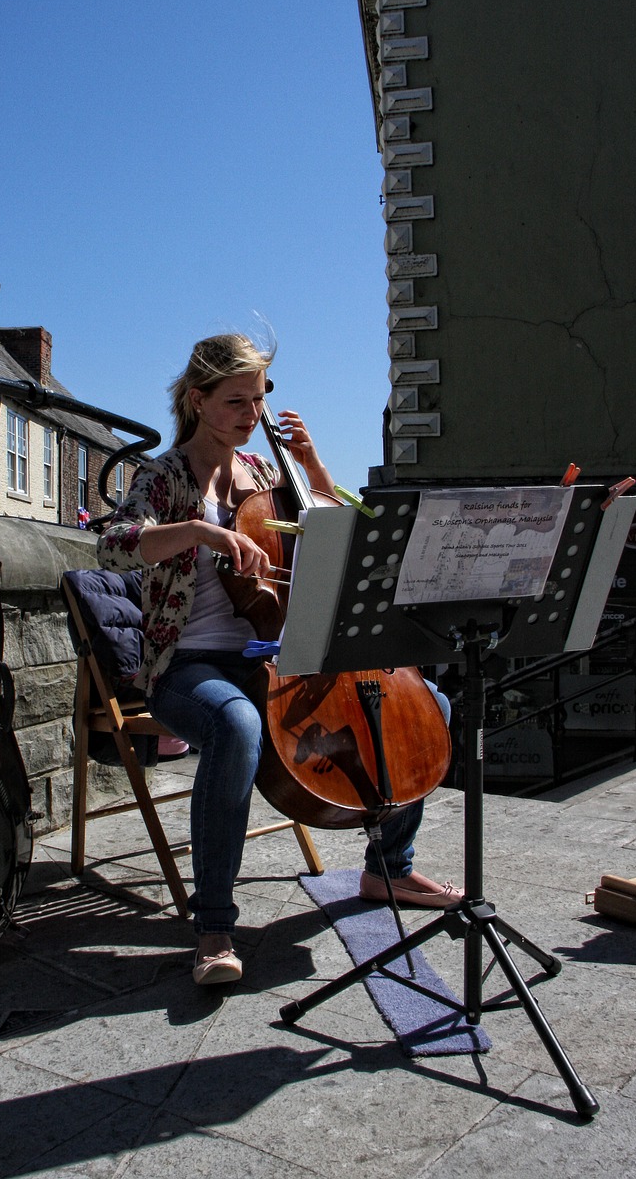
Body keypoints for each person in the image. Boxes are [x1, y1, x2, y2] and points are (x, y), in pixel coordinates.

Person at [96, 332, 458, 985]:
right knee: (235, 726)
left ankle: (388, 870)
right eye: (236, 401)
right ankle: (212, 925)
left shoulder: (266, 475)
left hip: (281, 656)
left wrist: (313, 469)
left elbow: (346, 528)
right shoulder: (161, 475)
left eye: (258, 400)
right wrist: (201, 530)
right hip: (189, 667)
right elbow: (115, 546)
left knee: (430, 704)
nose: (251, 415)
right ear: (198, 400)